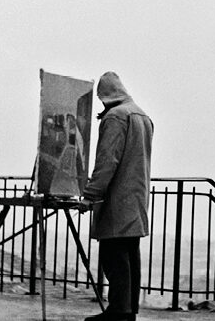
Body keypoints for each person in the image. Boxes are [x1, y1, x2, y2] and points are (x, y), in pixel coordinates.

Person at [79, 72, 153, 321]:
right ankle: (128, 309)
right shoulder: (142, 115)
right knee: (130, 256)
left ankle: (118, 312)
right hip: (137, 197)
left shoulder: (115, 117)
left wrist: (90, 194)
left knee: (114, 257)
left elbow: (107, 161)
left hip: (117, 199)